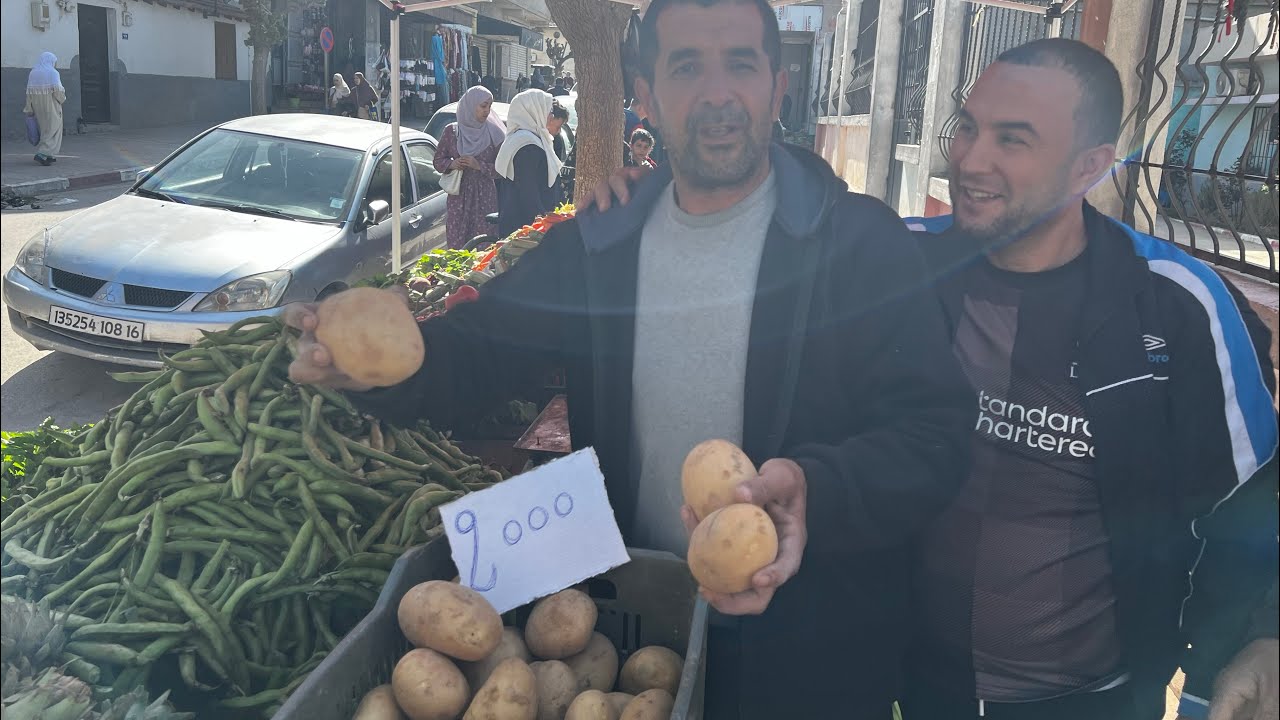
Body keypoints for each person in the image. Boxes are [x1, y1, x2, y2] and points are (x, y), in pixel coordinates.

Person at [286, 1, 972, 717]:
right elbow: (479, 354)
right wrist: (368, 368)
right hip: (636, 642)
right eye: (685, 67)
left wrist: (815, 489)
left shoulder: (862, 245)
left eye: (740, 63)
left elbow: (937, 436)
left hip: (804, 654)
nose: (716, 92)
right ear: (645, 95)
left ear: (778, 86)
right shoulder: (598, 247)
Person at [898, 39, 1279, 720]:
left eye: (1012, 139)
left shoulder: (1180, 305)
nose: (969, 159)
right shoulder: (901, 264)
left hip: (1090, 700)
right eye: (968, 127)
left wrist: (1260, 639)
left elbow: (1250, 502)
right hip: (917, 680)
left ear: (1089, 167)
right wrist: (643, 191)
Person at [433, 86, 505, 249]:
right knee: (457, 244)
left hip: (484, 197)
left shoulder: (494, 133)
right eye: (483, 106)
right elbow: (437, 161)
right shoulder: (451, 131)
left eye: (489, 106)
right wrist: (452, 164)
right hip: (459, 197)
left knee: (483, 245)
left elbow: (502, 170)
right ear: (470, 105)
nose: (487, 111)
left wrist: (478, 165)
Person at [494, 89, 563, 238]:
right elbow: (528, 191)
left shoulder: (522, 139)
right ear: (534, 110)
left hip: (520, 223)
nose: (551, 116)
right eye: (548, 110)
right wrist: (543, 223)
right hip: (527, 229)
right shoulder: (527, 145)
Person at [24, 52, 65, 166]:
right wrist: (62, 99)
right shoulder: (53, 73)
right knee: (54, 128)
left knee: (44, 128)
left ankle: (49, 155)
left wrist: (29, 108)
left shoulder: (33, 73)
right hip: (52, 105)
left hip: (38, 107)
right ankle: (43, 153)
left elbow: (29, 93)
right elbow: (58, 92)